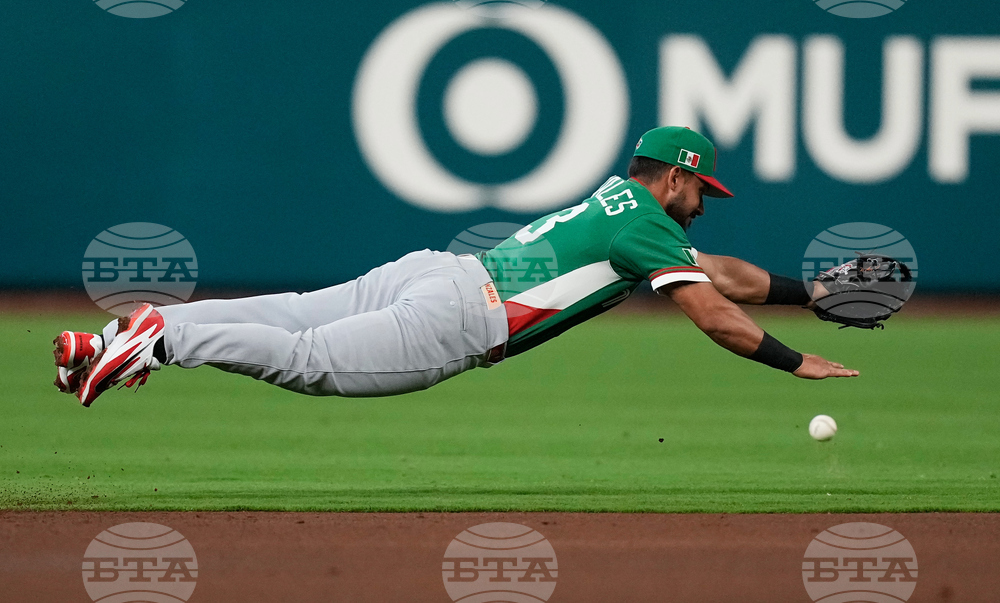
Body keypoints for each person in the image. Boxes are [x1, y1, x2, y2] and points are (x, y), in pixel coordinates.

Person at [52, 126, 858, 408]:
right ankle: (156, 343)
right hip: (460, 318)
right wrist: (794, 361)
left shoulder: (623, 203)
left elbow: (719, 271)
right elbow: (715, 312)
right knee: (307, 361)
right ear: (676, 176)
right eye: (701, 189)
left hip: (433, 271)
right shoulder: (649, 228)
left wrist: (809, 295)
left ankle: (118, 337)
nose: (705, 203)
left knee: (294, 314)